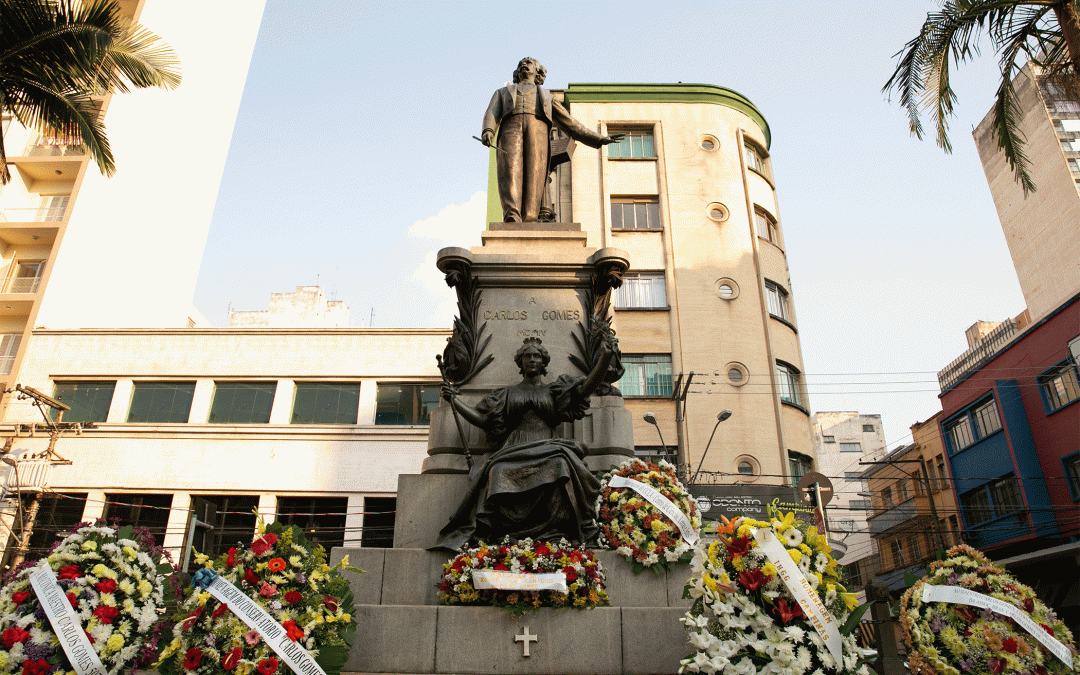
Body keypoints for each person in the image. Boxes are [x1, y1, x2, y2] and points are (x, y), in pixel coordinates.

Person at [435, 337, 614, 550]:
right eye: (527, 356)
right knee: (498, 471)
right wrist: (455, 402)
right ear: (520, 362)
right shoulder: (507, 393)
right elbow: (483, 420)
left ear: (543, 362)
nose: (532, 360)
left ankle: (559, 529)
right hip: (514, 447)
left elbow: (585, 389)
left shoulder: (554, 391)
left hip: (549, 445)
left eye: (536, 356)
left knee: (561, 466)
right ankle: (497, 531)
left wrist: (604, 358)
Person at [482, 58, 620, 222]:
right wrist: (489, 130)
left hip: (538, 131)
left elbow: (570, 123)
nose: (524, 65)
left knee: (536, 173)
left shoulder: (547, 96)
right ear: (517, 72)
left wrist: (597, 138)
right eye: (521, 64)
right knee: (510, 169)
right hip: (510, 129)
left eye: (529, 63)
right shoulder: (502, 92)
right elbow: (492, 112)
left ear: (538, 72)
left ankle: (530, 216)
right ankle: (512, 213)